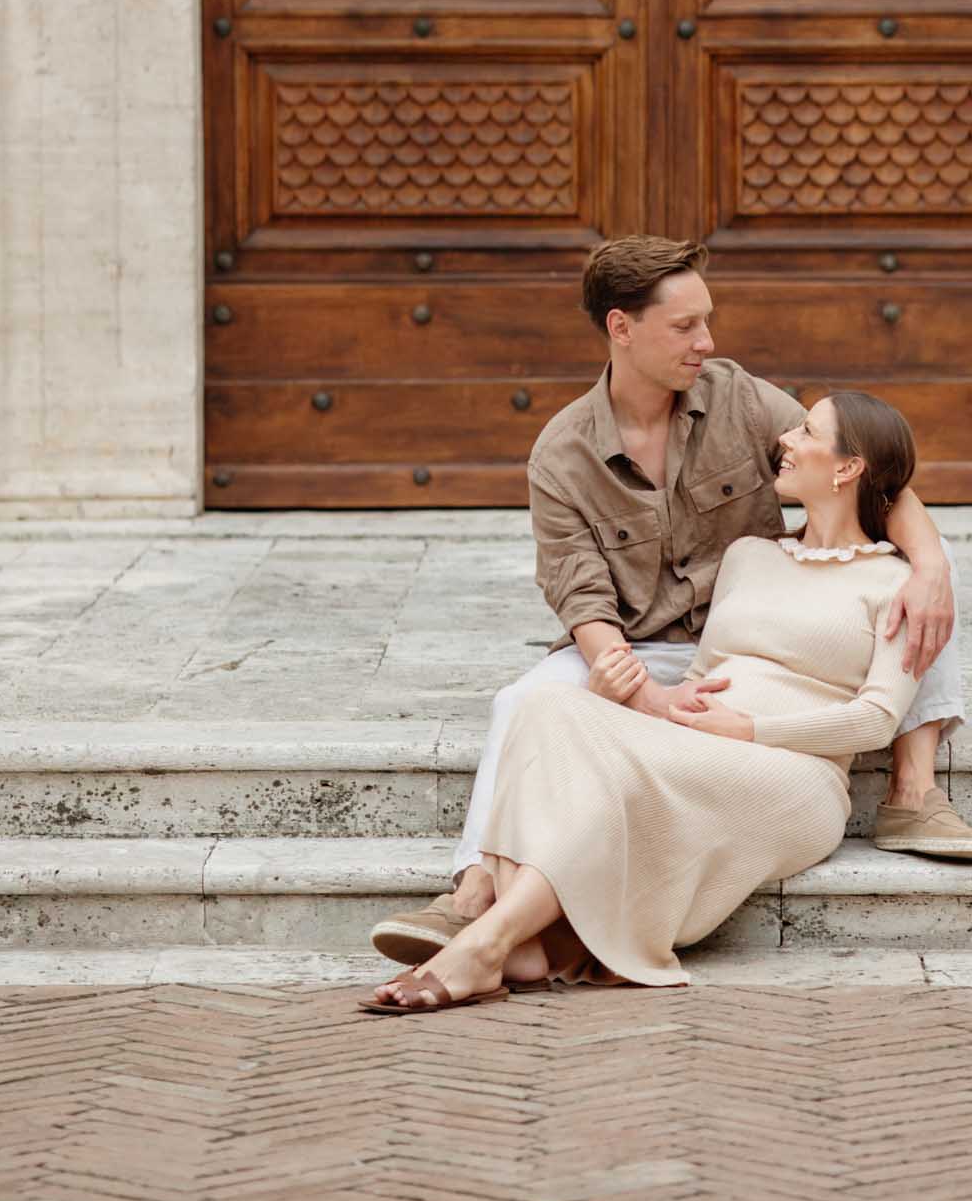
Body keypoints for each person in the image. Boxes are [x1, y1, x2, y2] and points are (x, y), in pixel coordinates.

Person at [369, 235, 972, 971]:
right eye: (685, 326)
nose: (707, 341)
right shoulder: (562, 453)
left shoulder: (740, 399)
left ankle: (913, 790)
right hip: (644, 646)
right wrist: (636, 690)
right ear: (621, 328)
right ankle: (471, 893)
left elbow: (872, 471)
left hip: (759, 634)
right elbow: (577, 588)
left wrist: (934, 565)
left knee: (922, 586)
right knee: (522, 703)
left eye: (707, 320)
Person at [362, 387, 934, 1010]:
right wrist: (656, 706)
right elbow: (707, 666)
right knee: (542, 705)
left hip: (796, 773)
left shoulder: (898, 584)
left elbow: (877, 720)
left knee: (616, 772)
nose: (785, 440)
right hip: (698, 739)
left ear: (848, 467)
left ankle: (486, 944)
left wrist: (747, 730)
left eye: (806, 433)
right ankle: (524, 942)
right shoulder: (749, 556)